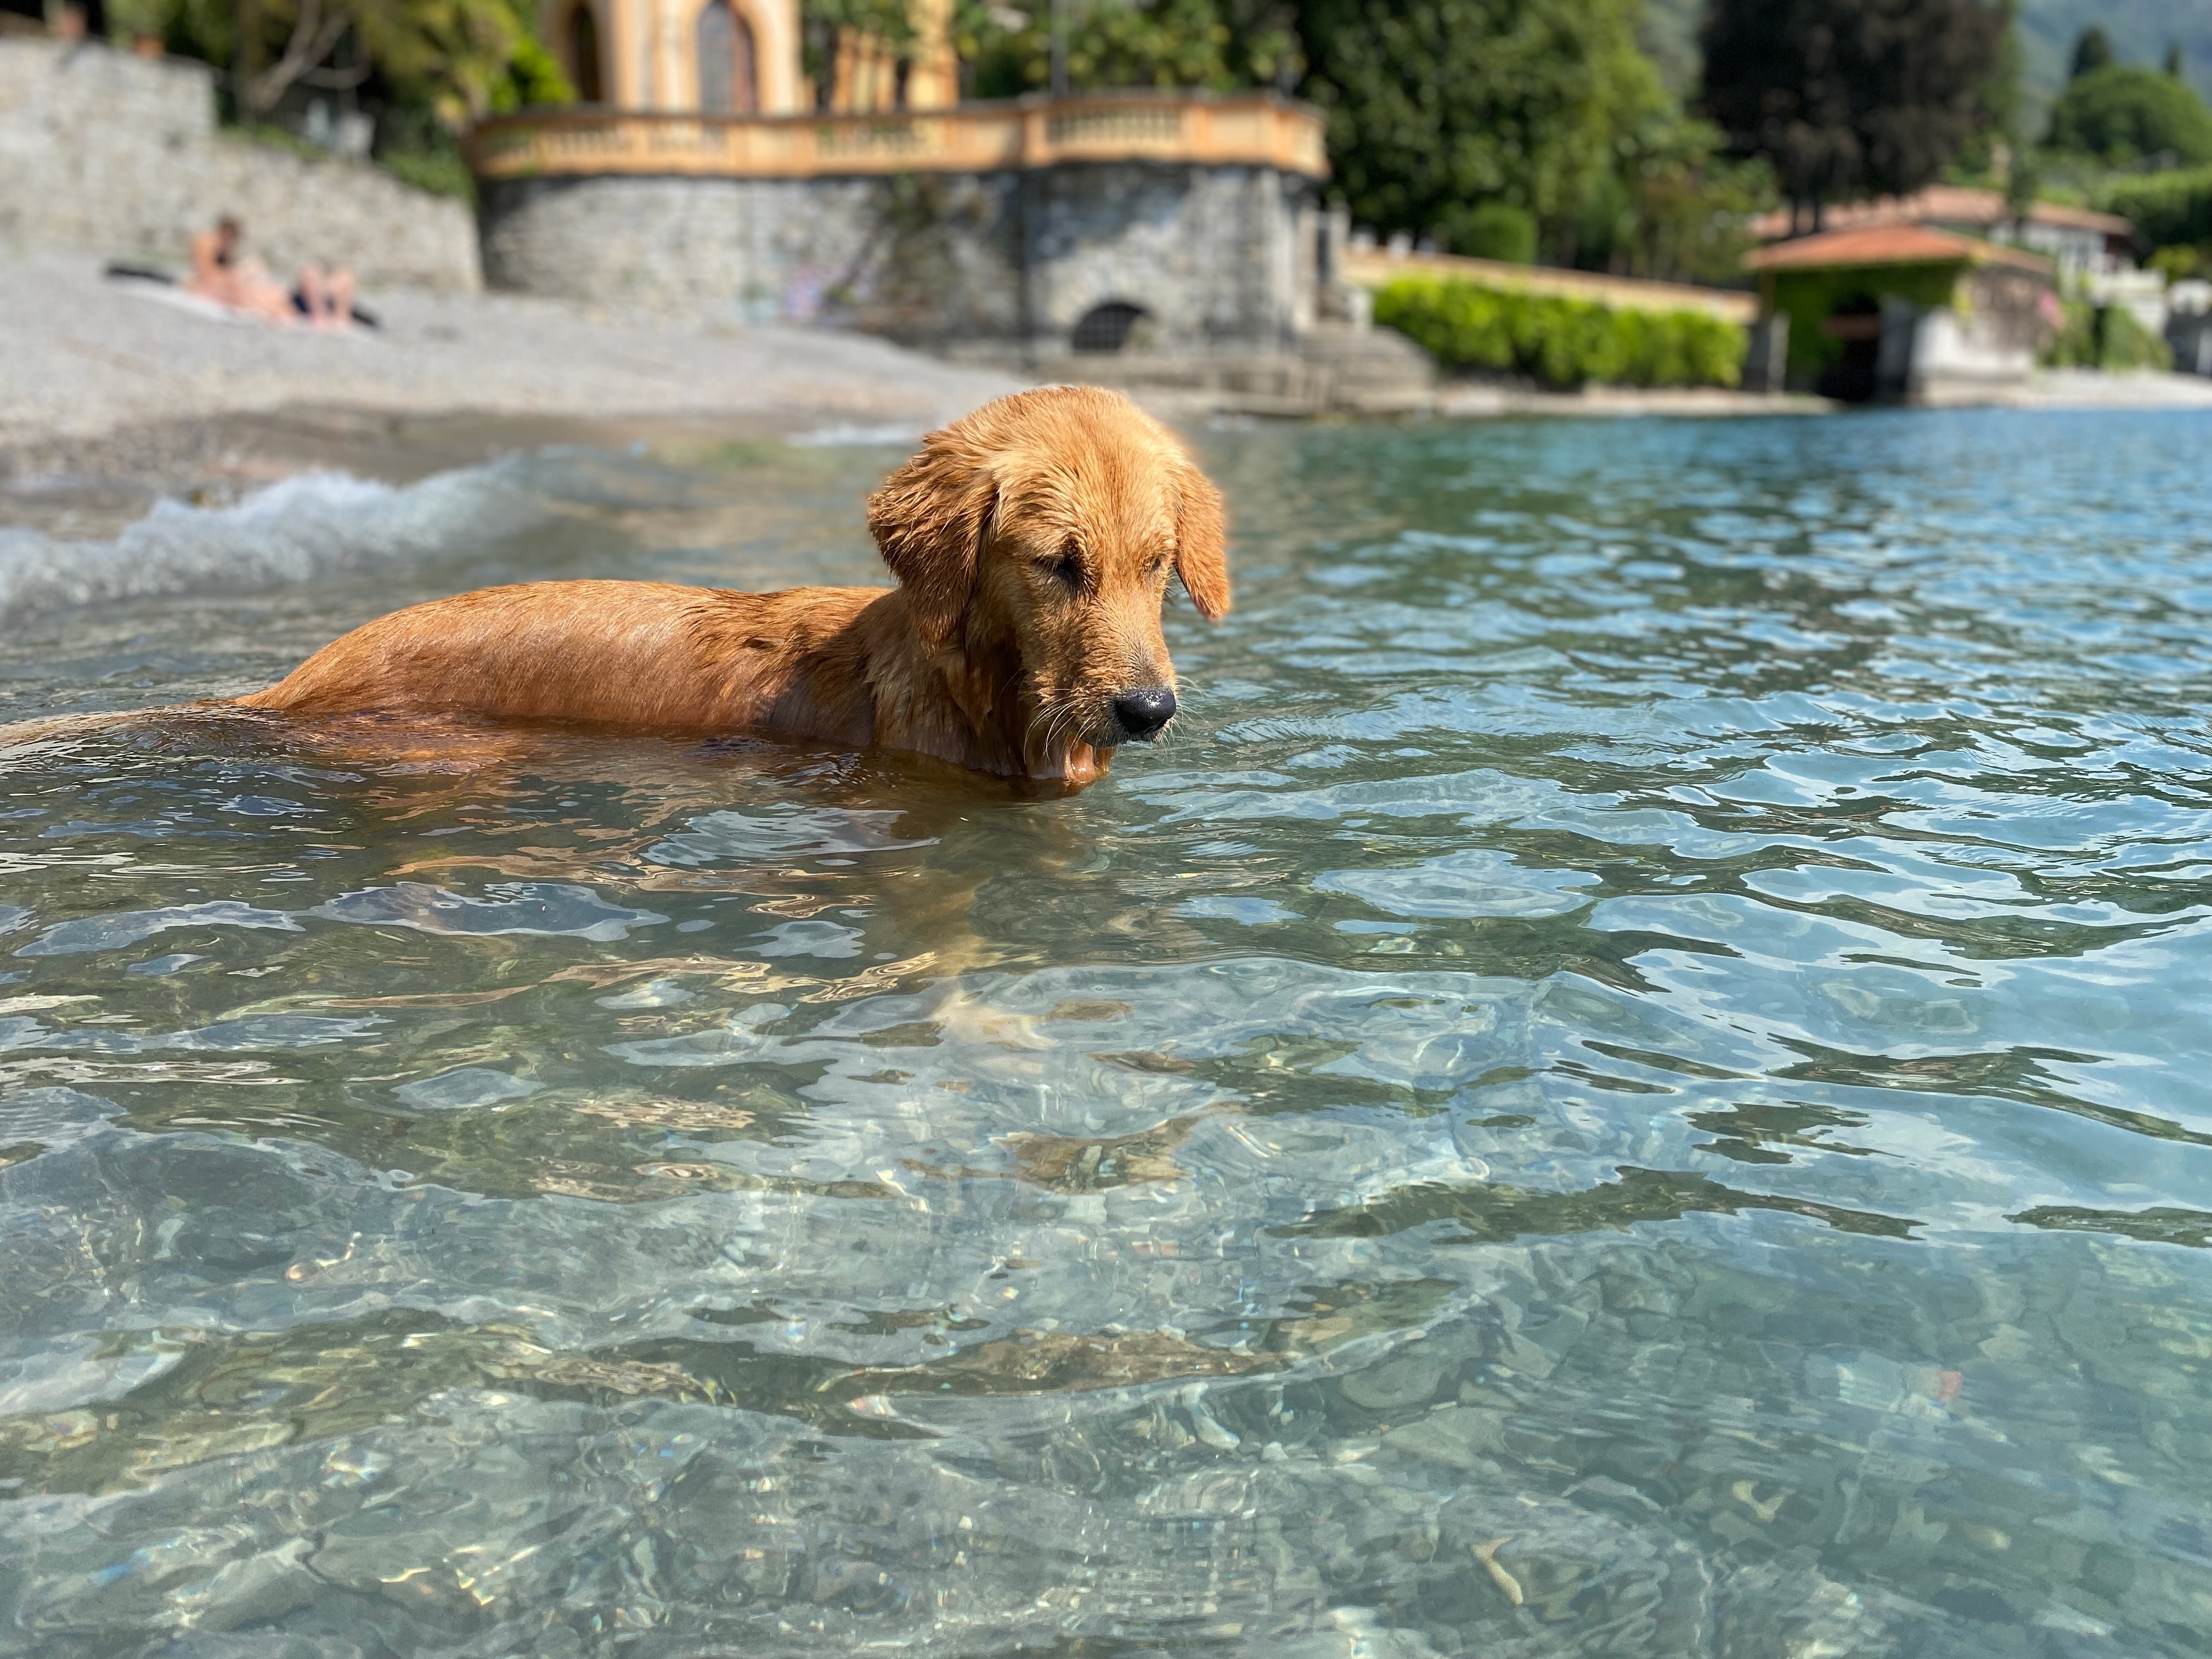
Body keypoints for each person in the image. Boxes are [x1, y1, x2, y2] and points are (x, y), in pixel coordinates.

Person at [185, 217, 357, 329]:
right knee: (312, 272)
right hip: (297, 305)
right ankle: (329, 317)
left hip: (296, 301)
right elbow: (208, 277)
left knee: (340, 275)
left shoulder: (231, 274)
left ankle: (335, 317)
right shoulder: (209, 245)